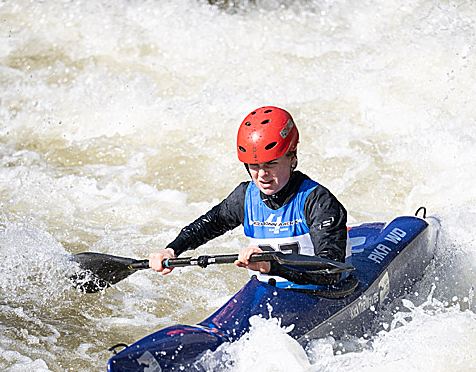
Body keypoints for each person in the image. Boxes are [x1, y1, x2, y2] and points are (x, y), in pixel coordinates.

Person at [148, 106, 348, 289]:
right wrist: (172, 250)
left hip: (319, 294)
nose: (262, 175)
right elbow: (209, 224)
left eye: (270, 164)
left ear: (292, 158)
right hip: (268, 293)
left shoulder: (319, 202)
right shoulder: (245, 196)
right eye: (254, 166)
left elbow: (330, 272)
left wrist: (270, 266)